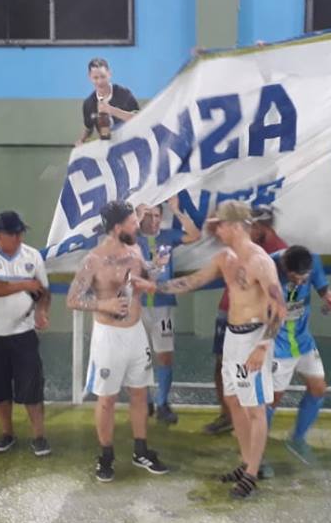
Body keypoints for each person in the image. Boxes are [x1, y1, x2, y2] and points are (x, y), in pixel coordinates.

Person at [134, 201, 286, 499]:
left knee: (255, 409)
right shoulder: (225, 258)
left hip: (253, 338)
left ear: (236, 226)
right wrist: (155, 287)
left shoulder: (260, 261)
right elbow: (192, 281)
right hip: (233, 336)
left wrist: (263, 346)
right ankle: (247, 462)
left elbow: (279, 307)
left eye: (221, 225)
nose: (216, 230)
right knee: (233, 400)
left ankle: (253, 473)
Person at [66, 201, 168, 482]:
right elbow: (72, 299)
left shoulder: (135, 250)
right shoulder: (94, 260)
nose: (138, 226)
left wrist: (156, 268)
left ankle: (141, 451)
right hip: (108, 338)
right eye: (133, 223)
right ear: (117, 227)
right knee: (107, 399)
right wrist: (104, 304)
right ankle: (106, 456)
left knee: (140, 393)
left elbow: (144, 277)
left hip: (136, 333)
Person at [0, 211, 52, 454]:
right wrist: (24, 284)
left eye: (20, 233)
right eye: (13, 234)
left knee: (32, 387)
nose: (18, 238)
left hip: (23, 333)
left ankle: (39, 436)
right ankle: (7, 433)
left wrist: (42, 312)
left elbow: (44, 291)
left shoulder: (32, 256)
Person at [204, 206, 287, 435]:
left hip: (257, 325)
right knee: (223, 366)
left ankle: (258, 422)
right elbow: (213, 233)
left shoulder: (275, 253)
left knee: (260, 376)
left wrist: (264, 343)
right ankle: (229, 415)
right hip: (229, 314)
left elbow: (279, 301)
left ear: (261, 227)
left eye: (254, 226)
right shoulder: (234, 247)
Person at [269, 245, 331, 463]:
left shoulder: (313, 260)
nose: (301, 283)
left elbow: (323, 291)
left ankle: (298, 439)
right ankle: (257, 452)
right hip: (277, 343)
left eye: (305, 278)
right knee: (272, 400)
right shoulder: (267, 266)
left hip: (303, 341)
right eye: (295, 278)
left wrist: (330, 301)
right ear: (285, 267)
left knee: (318, 388)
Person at [135, 196, 200, 425]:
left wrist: (176, 210)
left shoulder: (168, 236)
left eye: (157, 215)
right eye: (149, 215)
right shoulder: (132, 238)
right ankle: (145, 401)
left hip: (164, 307)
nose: (153, 220)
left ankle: (162, 403)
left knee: (165, 355)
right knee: (139, 357)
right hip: (137, 306)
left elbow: (195, 235)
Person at [75, 58, 140, 145]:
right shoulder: (89, 103)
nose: (100, 81)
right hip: (108, 147)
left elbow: (139, 118)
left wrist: (111, 110)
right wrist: (82, 140)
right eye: (95, 78)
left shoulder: (124, 93)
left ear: (109, 74)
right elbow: (89, 128)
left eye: (103, 76)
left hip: (129, 143)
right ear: (89, 77)